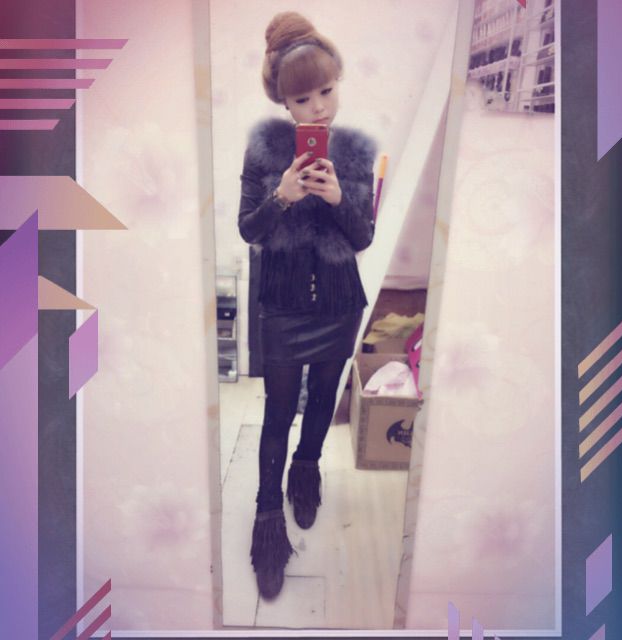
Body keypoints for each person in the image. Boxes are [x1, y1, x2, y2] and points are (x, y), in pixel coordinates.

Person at [237, 11, 376, 600]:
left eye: (326, 91)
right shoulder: (264, 150)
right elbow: (249, 229)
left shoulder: (356, 151)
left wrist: (341, 198)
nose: (318, 108)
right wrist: (281, 196)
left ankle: (306, 470)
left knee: (321, 400)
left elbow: (363, 238)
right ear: (283, 102)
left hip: (339, 303)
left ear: (337, 84)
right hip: (283, 306)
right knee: (277, 412)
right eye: (302, 98)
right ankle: (268, 519)